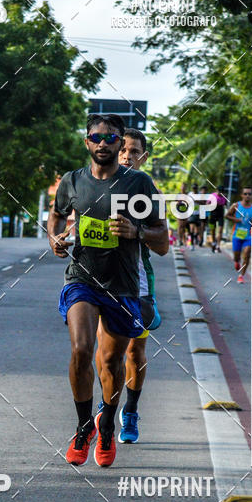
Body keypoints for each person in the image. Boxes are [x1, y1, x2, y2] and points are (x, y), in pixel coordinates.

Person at [48, 113, 164, 468]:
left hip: (123, 286)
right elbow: (56, 216)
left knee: (111, 362)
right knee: (82, 350)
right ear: (87, 142)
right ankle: (84, 428)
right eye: (96, 137)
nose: (103, 144)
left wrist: (137, 233)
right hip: (81, 279)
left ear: (119, 144)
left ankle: (108, 425)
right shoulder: (72, 182)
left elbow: (162, 241)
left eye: (110, 139)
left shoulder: (139, 184)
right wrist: (54, 236)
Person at [94, 128, 169, 443]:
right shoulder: (95, 184)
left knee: (135, 350)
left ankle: (131, 411)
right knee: (105, 350)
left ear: (144, 157)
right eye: (122, 149)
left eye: (134, 151)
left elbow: (163, 244)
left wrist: (136, 231)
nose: (127, 156)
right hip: (98, 280)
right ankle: (106, 401)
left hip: (136, 284)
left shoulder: (147, 191)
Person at [225, 186, 252, 282]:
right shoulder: (236, 206)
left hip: (248, 235)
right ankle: (237, 262)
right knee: (237, 256)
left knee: (247, 253)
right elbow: (226, 216)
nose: (247, 196)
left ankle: (241, 276)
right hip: (237, 235)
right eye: (245, 194)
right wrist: (236, 219)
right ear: (242, 195)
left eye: (249, 194)